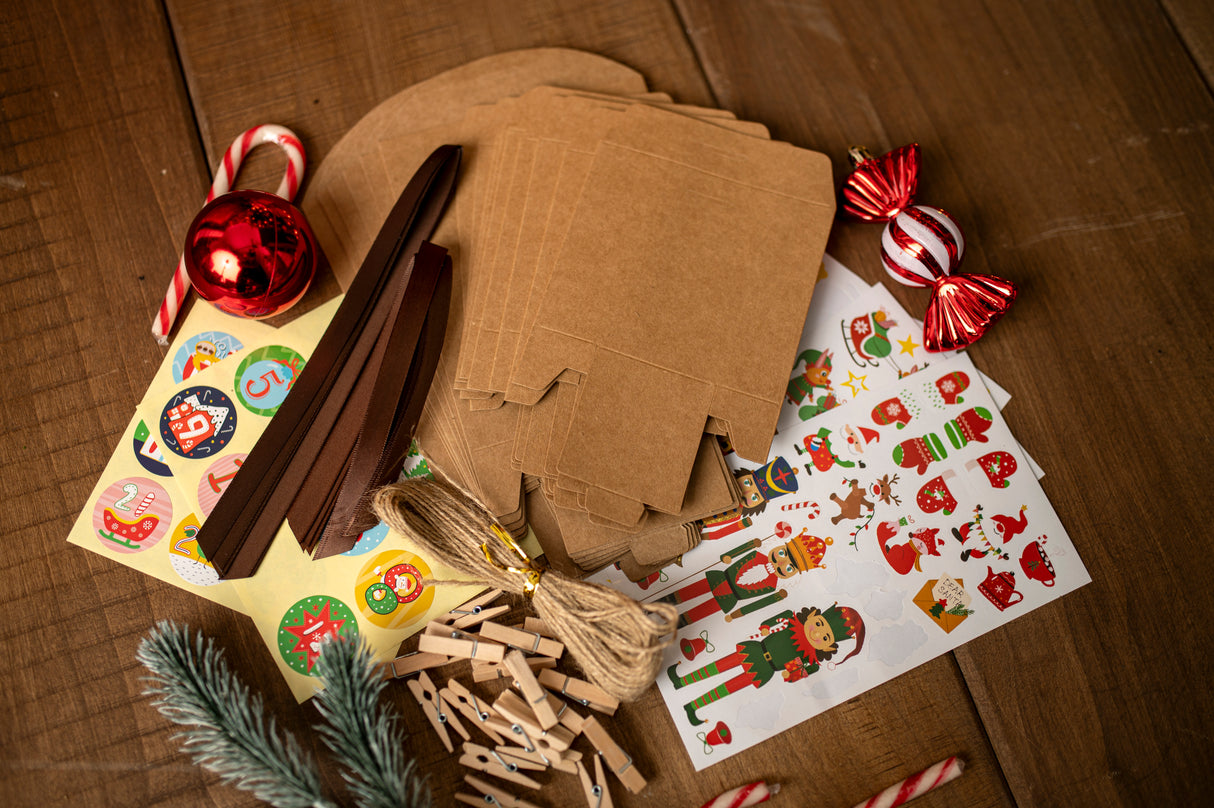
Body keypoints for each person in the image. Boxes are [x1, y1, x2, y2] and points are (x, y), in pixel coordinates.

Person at [668, 604, 865, 726]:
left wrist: (793, 673)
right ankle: (682, 680)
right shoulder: (791, 620)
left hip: (766, 669)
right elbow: (779, 617)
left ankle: (694, 706)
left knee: (727, 688)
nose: (816, 633)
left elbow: (802, 671)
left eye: (825, 636)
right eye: (819, 624)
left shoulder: (810, 660)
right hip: (756, 649)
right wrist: (766, 625)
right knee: (719, 666)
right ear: (814, 615)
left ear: (829, 645)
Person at [654, 529, 831, 628]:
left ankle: (664, 628)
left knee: (694, 615)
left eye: (790, 567)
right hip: (719, 579)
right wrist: (728, 556)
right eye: (783, 553)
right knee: (684, 594)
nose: (780, 562)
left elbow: (758, 603)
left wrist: (738, 614)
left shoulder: (772, 586)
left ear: (794, 574)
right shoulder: (757, 554)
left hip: (729, 599)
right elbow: (739, 553)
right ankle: (655, 606)